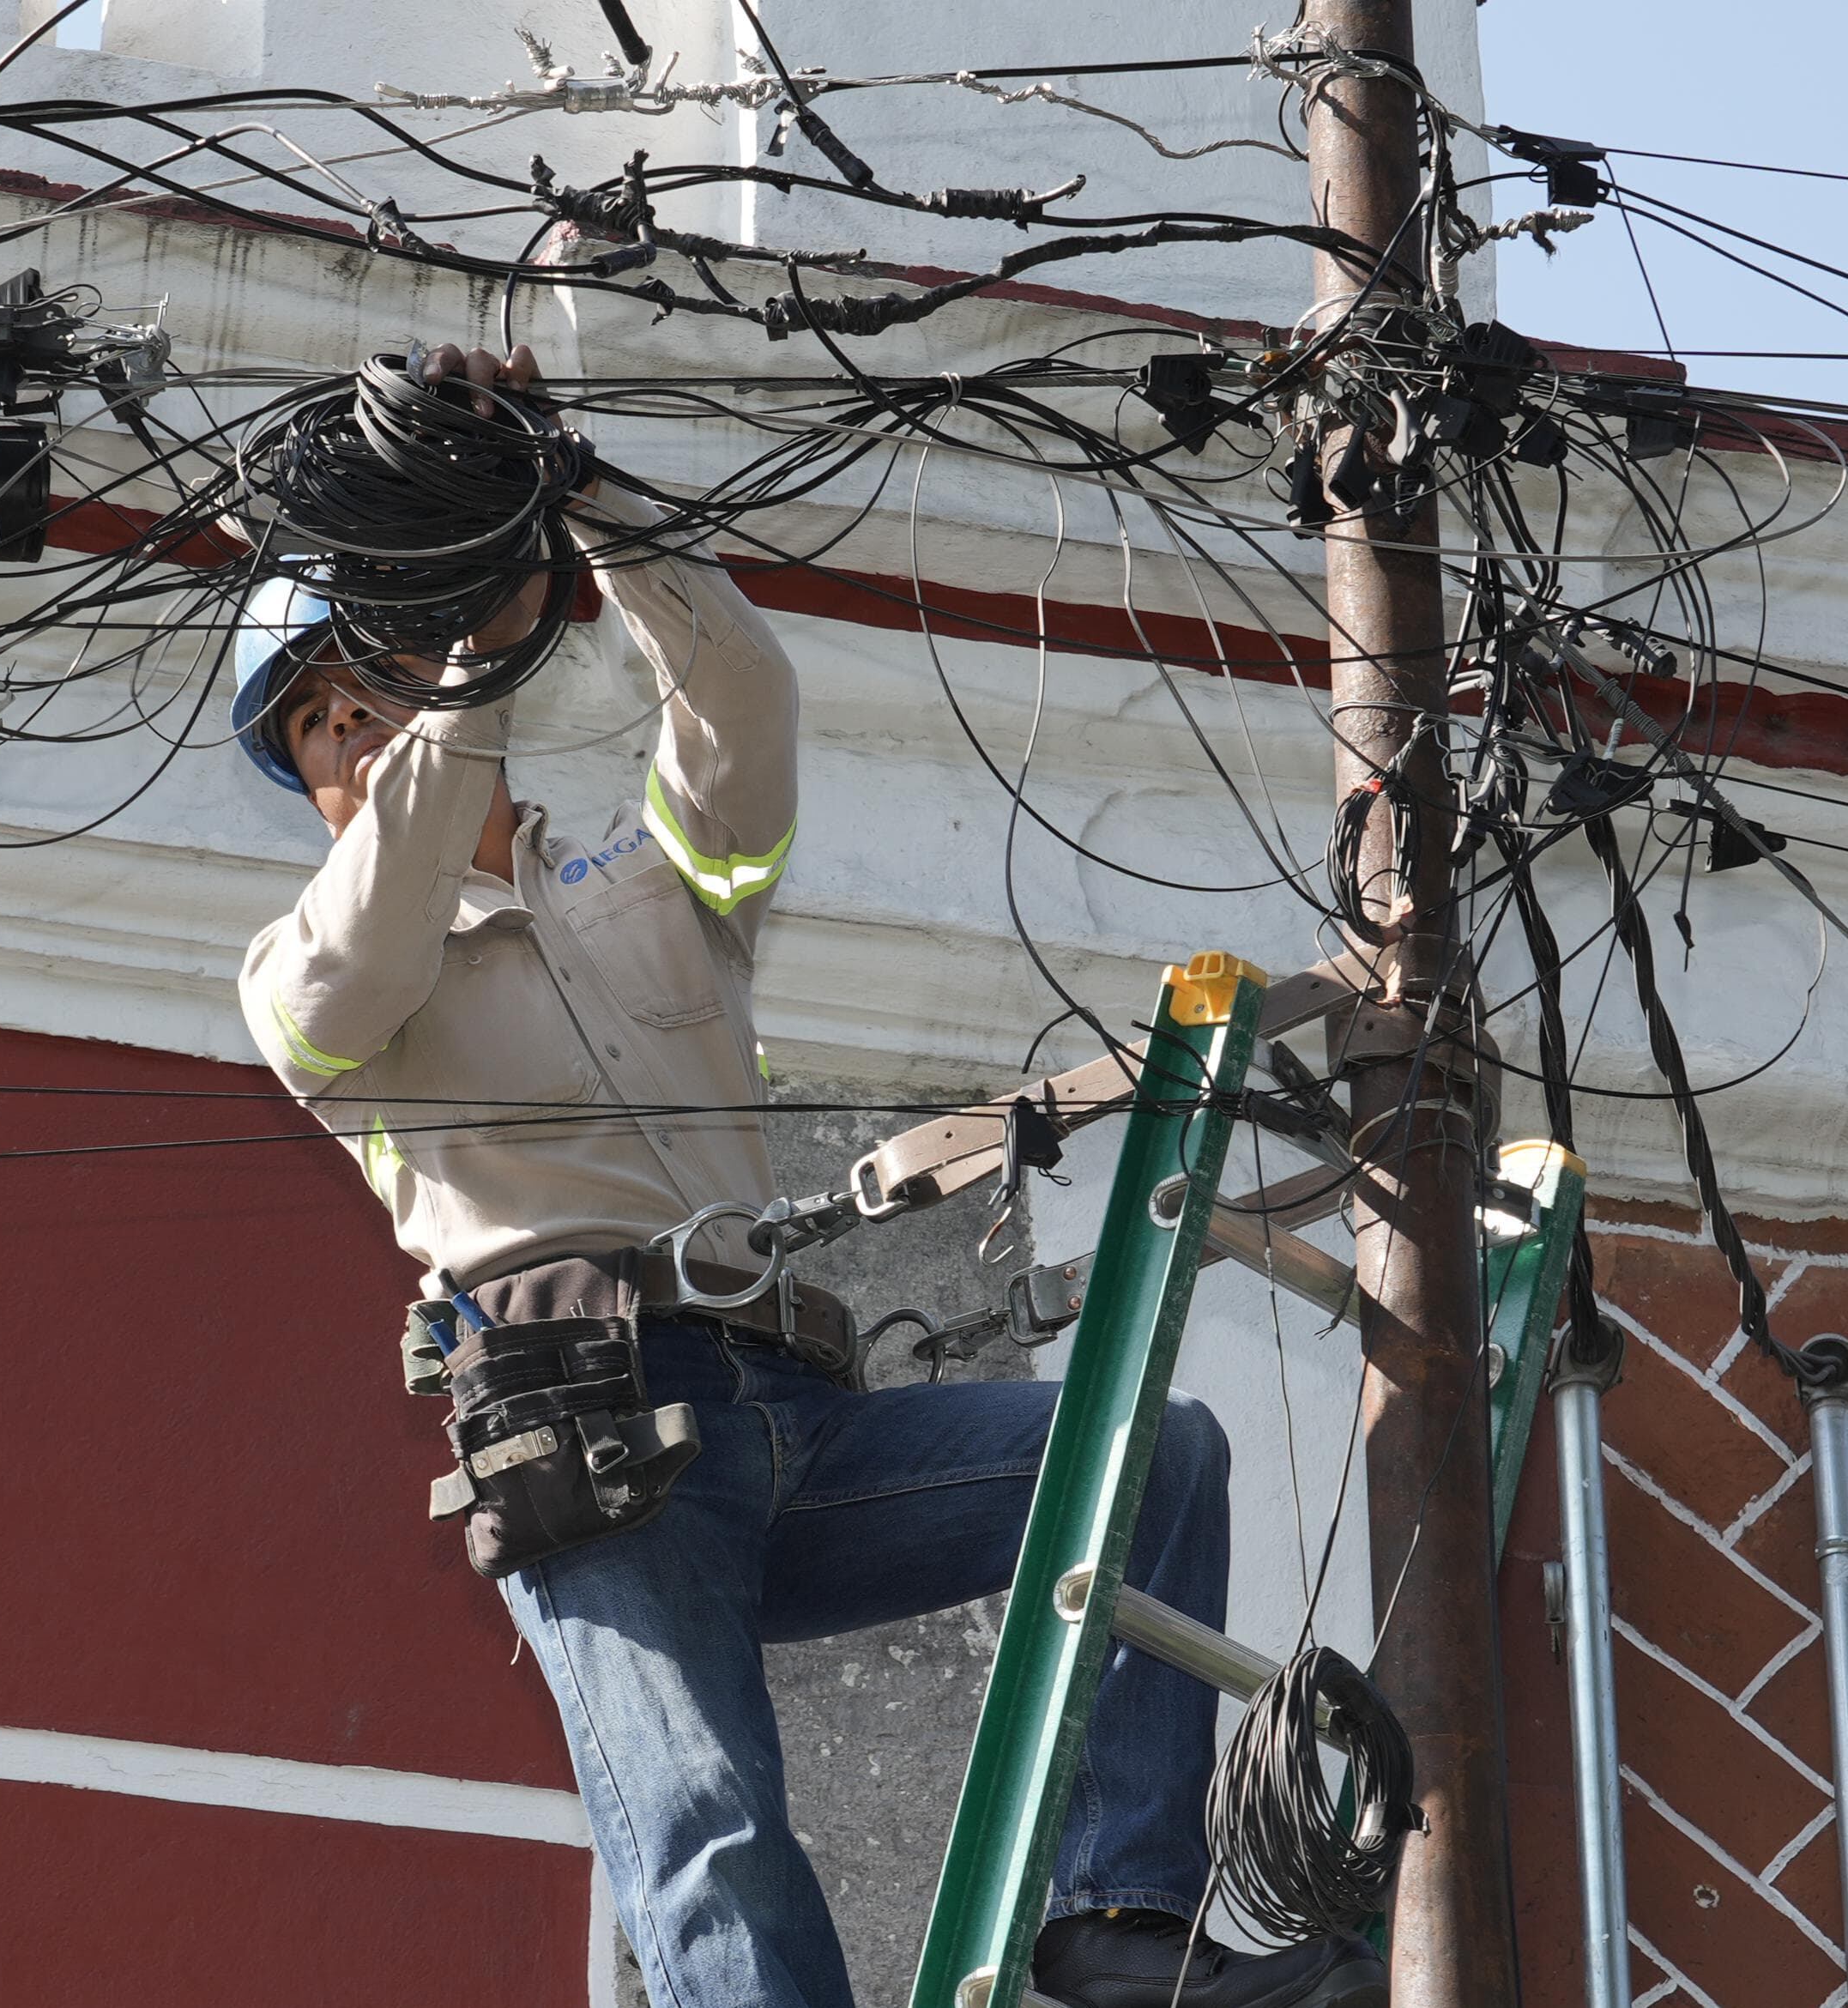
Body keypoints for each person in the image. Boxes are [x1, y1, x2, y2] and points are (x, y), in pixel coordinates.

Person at [234, 342, 1385, 2008]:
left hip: (790, 1404)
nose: (354, 740)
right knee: (706, 1830)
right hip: (596, 1429)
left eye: (363, 690)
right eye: (321, 726)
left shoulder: (654, 885)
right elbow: (408, 850)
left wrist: (587, 505)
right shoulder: (310, 977)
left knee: (1156, 1458)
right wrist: (465, 655)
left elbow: (734, 696)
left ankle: (1123, 1924)